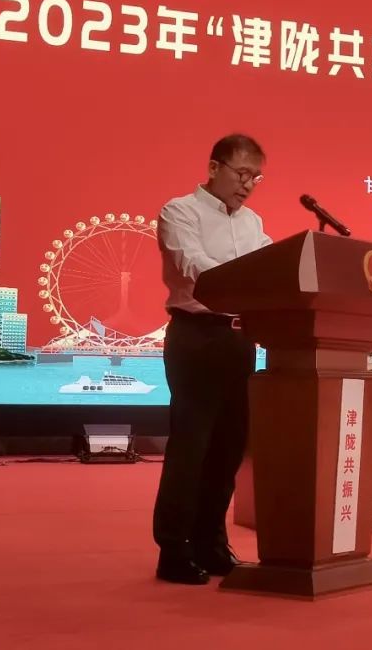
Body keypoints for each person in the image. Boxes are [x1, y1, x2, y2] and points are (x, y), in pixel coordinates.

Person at [152, 133, 272, 585]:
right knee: (192, 445)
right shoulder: (180, 211)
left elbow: (273, 268)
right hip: (196, 336)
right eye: (242, 174)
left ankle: (211, 543)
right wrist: (250, 282)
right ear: (214, 167)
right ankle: (174, 548)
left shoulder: (254, 223)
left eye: (256, 177)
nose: (248, 185)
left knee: (228, 448)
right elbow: (195, 266)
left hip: (240, 339)